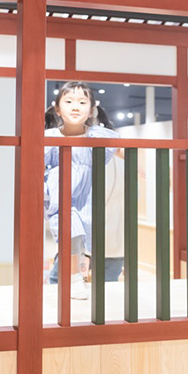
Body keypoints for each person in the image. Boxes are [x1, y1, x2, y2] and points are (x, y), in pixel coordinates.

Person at [43, 81, 124, 299]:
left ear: (91, 110)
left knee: (82, 235)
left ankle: (75, 276)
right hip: (60, 195)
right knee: (71, 230)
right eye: (68, 101)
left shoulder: (95, 136)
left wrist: (136, 165)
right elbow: (39, 164)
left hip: (86, 195)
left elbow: (118, 147)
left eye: (82, 102)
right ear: (58, 108)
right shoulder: (50, 137)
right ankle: (74, 279)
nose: (75, 106)